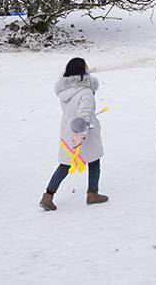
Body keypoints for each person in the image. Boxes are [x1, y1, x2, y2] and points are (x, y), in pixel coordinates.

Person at [40, 58, 107, 211]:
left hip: (67, 130)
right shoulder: (86, 92)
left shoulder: (65, 92)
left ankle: (48, 196)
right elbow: (83, 116)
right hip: (83, 131)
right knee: (94, 162)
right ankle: (92, 194)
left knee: (65, 164)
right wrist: (82, 134)